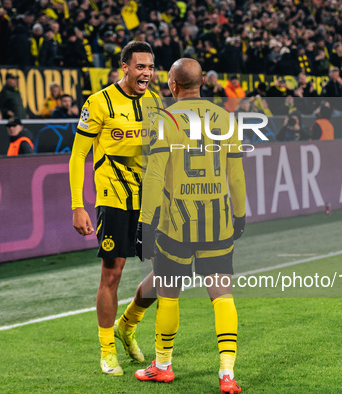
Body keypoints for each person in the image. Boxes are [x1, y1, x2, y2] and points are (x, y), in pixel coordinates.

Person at [134, 58, 246, 394]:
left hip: (176, 222)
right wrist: (239, 214)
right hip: (217, 221)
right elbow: (236, 175)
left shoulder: (164, 120)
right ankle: (227, 374)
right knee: (222, 295)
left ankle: (163, 366)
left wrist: (145, 223)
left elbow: (154, 176)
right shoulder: (225, 118)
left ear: (172, 84)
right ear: (202, 83)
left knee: (169, 294)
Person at [69, 41, 159, 376]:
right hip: (113, 196)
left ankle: (128, 324)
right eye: (140, 67)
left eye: (150, 67)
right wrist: (78, 205)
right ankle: (107, 350)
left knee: (168, 271)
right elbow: (78, 155)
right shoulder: (99, 102)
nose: (146, 73)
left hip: (149, 196)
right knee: (113, 272)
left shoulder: (153, 101)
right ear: (125, 67)